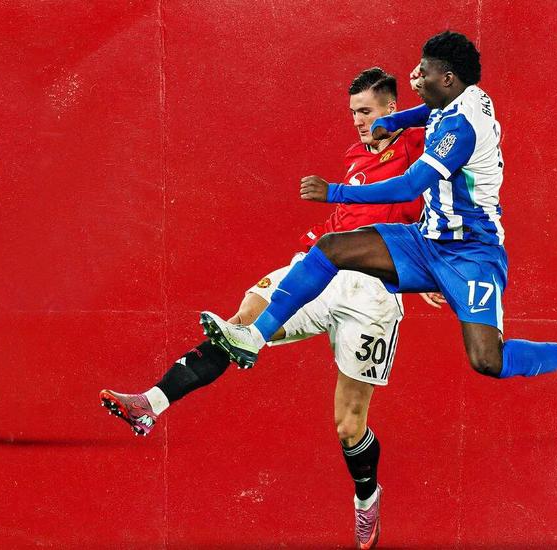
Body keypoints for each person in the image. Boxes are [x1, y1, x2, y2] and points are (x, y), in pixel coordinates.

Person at [100, 67, 443, 550]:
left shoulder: (418, 143)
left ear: (391, 108)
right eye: (353, 114)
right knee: (240, 324)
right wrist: (314, 241)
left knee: (349, 426)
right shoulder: (354, 155)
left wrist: (436, 266)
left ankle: (367, 498)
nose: (359, 122)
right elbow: (348, 215)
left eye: (367, 112)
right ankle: (149, 404)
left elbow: (452, 144)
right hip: (323, 270)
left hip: (373, 295)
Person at [200, 31, 557, 405]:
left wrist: (334, 192)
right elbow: (429, 111)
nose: (415, 80)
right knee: (331, 248)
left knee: (487, 360)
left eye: (423, 74)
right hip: (427, 239)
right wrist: (395, 120)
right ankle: (253, 336)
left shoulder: (462, 128)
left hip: (471, 253)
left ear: (448, 79)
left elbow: (408, 187)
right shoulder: (465, 94)